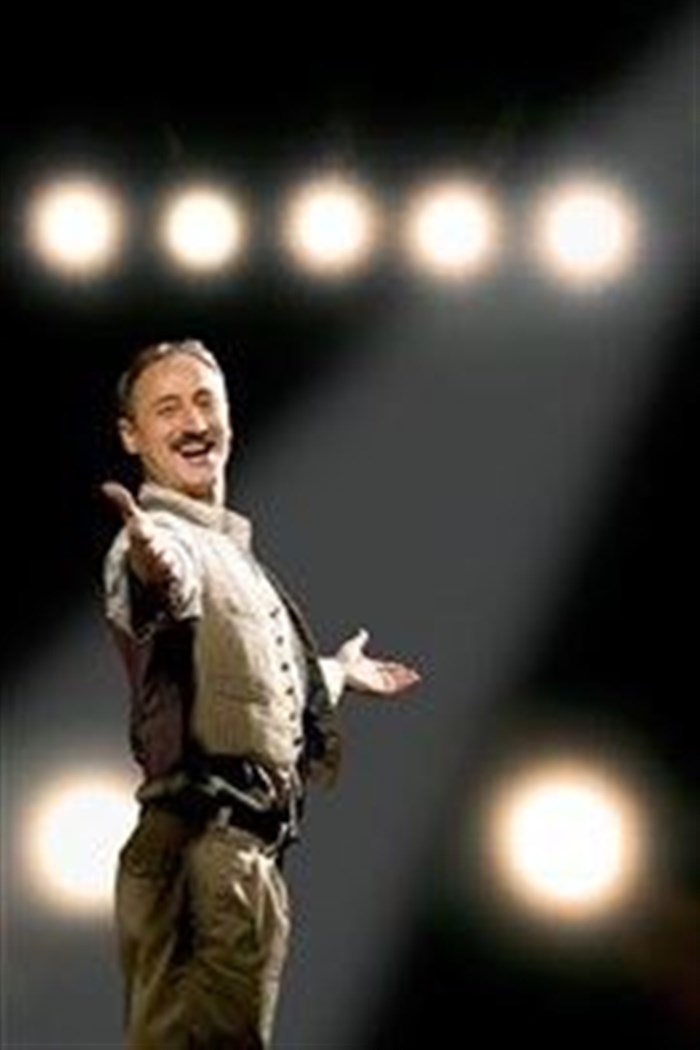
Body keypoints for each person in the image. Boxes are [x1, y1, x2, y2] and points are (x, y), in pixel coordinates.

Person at [101, 338, 421, 1049]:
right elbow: (166, 588)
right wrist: (159, 565)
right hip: (199, 850)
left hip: (240, 861)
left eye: (204, 401)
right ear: (132, 436)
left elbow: (254, 692)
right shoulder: (152, 543)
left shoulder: (236, 557)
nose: (193, 422)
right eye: (167, 408)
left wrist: (336, 674)